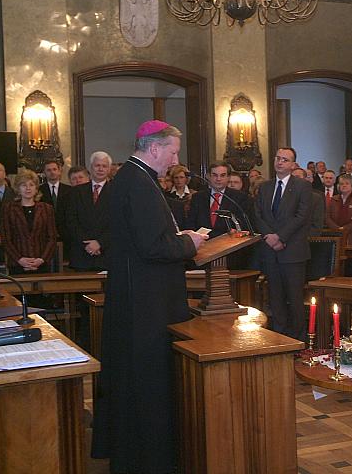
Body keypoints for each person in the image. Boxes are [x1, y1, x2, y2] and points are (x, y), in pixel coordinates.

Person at [92, 120, 206, 474]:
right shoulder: (138, 183)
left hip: (139, 294)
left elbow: (149, 236)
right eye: (173, 152)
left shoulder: (134, 178)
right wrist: (190, 243)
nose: (175, 160)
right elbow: (153, 247)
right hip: (146, 302)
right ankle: (150, 457)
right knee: (145, 380)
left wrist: (180, 237)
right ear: (154, 148)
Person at [252, 147, 313, 340]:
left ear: (293, 165)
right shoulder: (265, 187)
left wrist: (280, 237)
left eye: (285, 160)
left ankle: (298, 339)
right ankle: (279, 338)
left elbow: (301, 217)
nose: (280, 162)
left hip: (293, 252)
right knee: (275, 298)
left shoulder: (302, 186)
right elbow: (258, 215)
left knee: (294, 299)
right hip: (270, 251)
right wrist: (269, 237)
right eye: (278, 158)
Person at [1, 169, 58, 274]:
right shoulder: (8, 209)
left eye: (31, 185)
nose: (28, 188)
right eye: (24, 185)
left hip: (41, 264)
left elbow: (52, 237)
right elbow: (6, 239)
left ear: (36, 188)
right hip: (17, 264)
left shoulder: (47, 208)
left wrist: (41, 259)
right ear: (18, 188)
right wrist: (20, 259)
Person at [66, 151, 112, 271]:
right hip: (81, 254)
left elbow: (119, 223)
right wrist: (87, 244)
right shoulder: (76, 192)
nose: (100, 169)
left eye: (104, 166)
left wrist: (100, 243)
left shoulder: (117, 191)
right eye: (97, 165)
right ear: (91, 168)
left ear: (109, 169)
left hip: (107, 254)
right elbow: (71, 221)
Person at [185, 162, 250, 236]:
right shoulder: (198, 197)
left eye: (222, 175)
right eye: (215, 175)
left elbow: (243, 224)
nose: (218, 179)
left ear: (228, 177)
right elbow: (190, 223)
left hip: (228, 240)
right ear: (208, 176)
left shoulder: (239, 197)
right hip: (202, 240)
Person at [39, 159, 72, 247]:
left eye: (54, 169)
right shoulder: (39, 190)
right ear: (44, 173)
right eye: (49, 170)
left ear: (59, 171)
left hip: (66, 233)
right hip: (45, 232)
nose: (52, 172)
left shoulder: (69, 190)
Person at [326, 173, 352, 245]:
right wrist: (337, 229)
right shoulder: (333, 199)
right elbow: (327, 217)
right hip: (336, 235)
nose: (344, 185)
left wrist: (345, 228)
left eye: (347, 183)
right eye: (341, 184)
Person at [293, 167, 324, 235]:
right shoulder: (285, 197)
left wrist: (299, 236)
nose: (294, 180)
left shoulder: (316, 199)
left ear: (305, 180)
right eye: (292, 178)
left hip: (307, 237)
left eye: (297, 177)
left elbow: (317, 226)